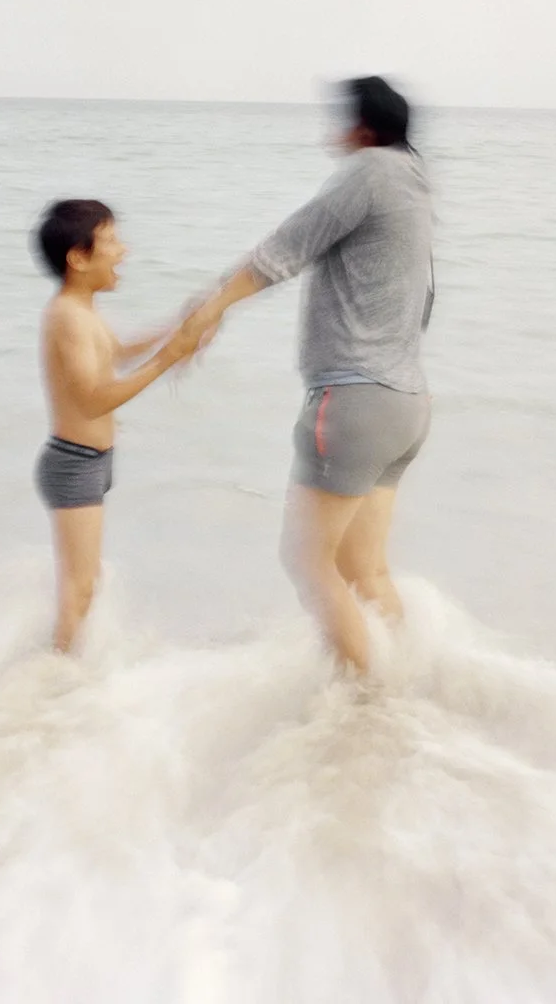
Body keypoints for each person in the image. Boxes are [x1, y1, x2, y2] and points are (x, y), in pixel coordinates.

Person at [189, 77, 435, 672]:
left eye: (342, 119)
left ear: (365, 128)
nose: (334, 132)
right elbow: (423, 303)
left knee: (306, 562)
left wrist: (207, 311)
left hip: (352, 403)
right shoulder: (415, 185)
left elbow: (285, 249)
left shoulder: (368, 172)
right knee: (364, 570)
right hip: (406, 404)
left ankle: (367, 705)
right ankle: (407, 698)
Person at [32, 198, 206, 653]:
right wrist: (167, 359)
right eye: (110, 241)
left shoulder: (83, 310)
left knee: (84, 585)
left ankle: (67, 675)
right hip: (73, 465)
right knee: (79, 589)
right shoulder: (67, 316)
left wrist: (180, 327)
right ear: (78, 257)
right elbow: (92, 400)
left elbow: (122, 351)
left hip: (92, 460)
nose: (123, 251)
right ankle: (55, 689)